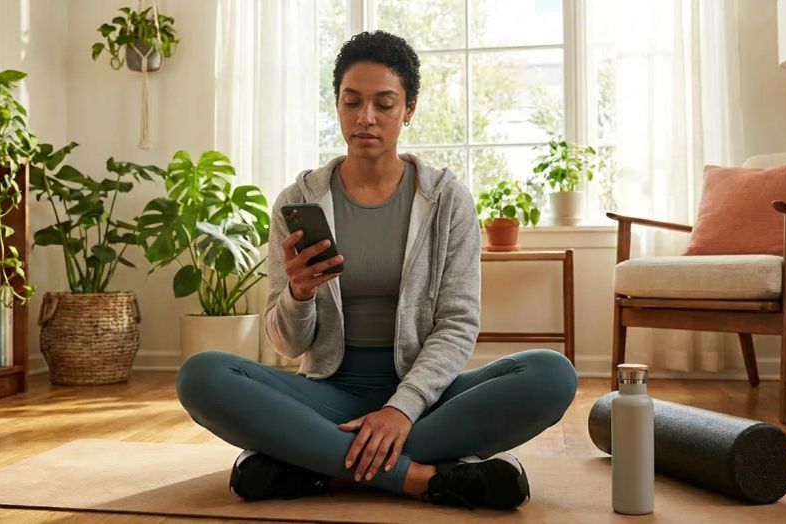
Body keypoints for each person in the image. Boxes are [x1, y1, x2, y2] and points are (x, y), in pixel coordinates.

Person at [176, 30, 578, 510]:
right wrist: (299, 295)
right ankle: (424, 478)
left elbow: (458, 324)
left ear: (409, 108)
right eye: (352, 102)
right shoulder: (297, 201)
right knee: (200, 375)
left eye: (384, 104)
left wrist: (399, 409)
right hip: (325, 394)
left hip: (427, 399)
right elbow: (286, 344)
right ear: (338, 105)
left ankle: (318, 464)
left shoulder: (447, 200)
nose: (365, 118)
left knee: (552, 374)